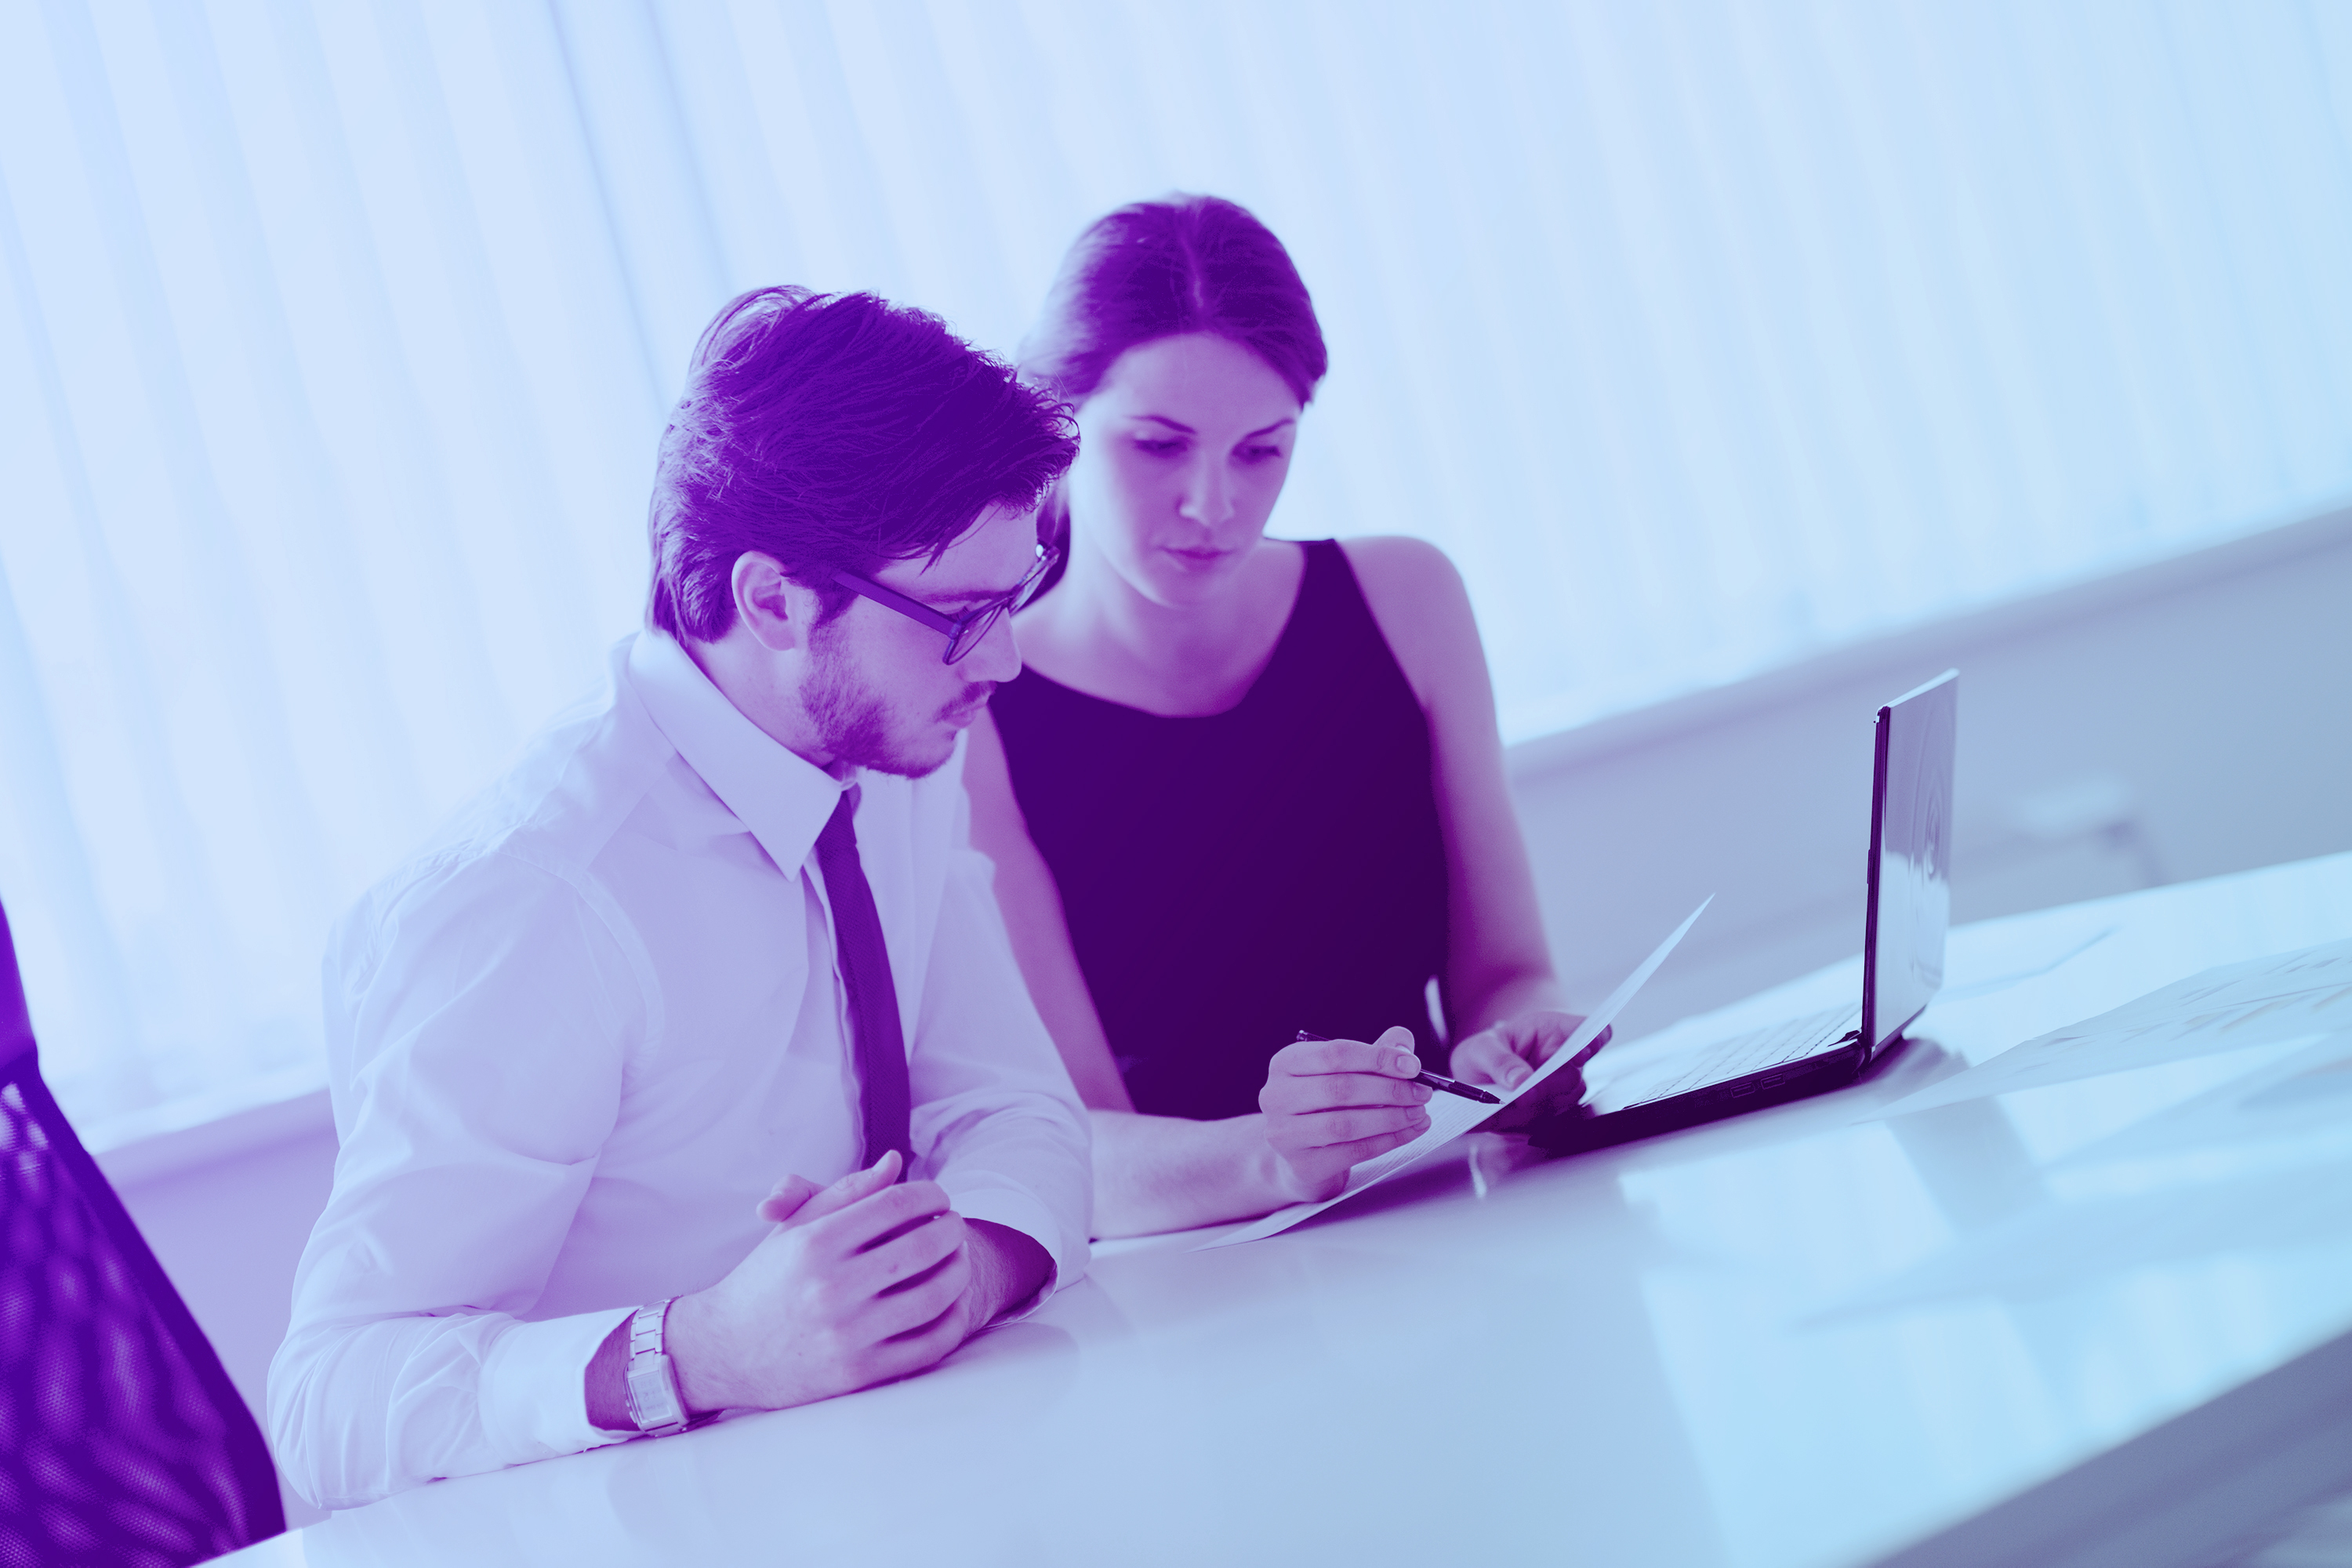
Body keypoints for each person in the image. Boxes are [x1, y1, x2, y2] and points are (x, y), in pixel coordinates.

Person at [270, 288, 1092, 1508]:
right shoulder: (536, 901)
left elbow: (1013, 1106)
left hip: (905, 1490)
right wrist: (699, 1349)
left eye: (1012, 601)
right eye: (962, 617)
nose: (1005, 662)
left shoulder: (899, 742)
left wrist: (962, 1268)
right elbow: (329, 1403)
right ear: (772, 601)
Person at [967, 195, 1591, 1238]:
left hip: (1465, 1219)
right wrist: (1272, 1156)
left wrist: (1518, 1045)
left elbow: (1506, 975)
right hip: (1204, 1286)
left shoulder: (1408, 599)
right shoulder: (983, 703)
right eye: (1158, 446)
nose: (1212, 506)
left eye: (1261, 451)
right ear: (1058, 426)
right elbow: (1071, 1147)